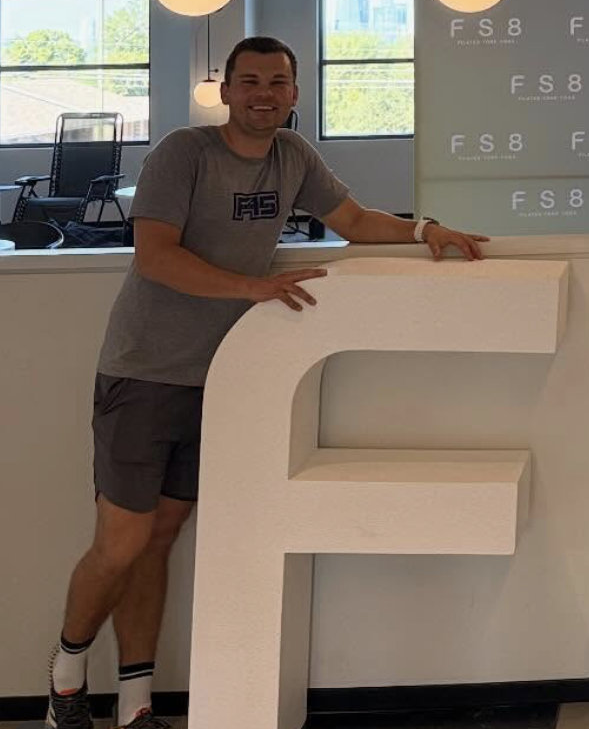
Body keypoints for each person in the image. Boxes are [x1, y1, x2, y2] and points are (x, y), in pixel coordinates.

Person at [45, 36, 486, 729]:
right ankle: (67, 676)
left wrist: (424, 229)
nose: (263, 94)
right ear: (226, 91)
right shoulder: (184, 154)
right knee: (121, 544)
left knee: (161, 539)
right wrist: (252, 287)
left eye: (277, 82)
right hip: (145, 373)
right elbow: (155, 257)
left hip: (220, 380)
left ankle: (135, 706)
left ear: (294, 93)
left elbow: (354, 221)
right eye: (249, 81)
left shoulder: (293, 157)